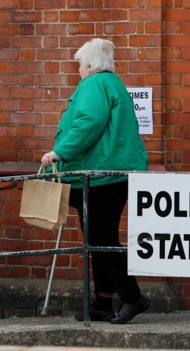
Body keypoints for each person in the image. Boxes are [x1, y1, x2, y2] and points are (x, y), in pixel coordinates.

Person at [40, 38, 149, 324]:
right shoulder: (114, 84)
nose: (78, 69)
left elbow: (88, 121)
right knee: (99, 238)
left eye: (79, 63)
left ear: (89, 64)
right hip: (114, 172)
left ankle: (132, 297)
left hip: (98, 174)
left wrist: (59, 152)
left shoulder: (92, 84)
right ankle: (101, 302)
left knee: (101, 239)